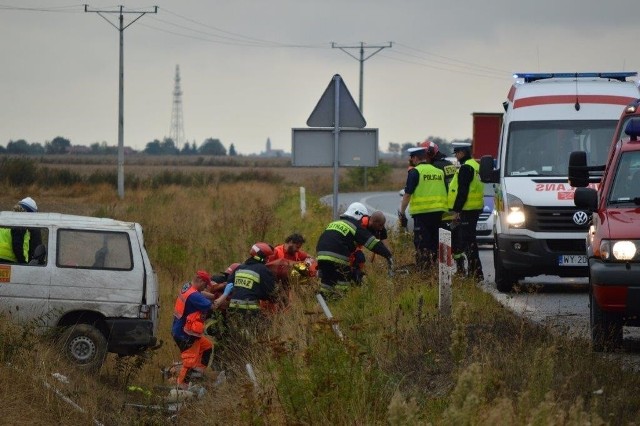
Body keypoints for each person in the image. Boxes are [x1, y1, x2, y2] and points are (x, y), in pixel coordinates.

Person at [316, 202, 393, 297]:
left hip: (321, 254)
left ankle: (323, 302)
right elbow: (372, 243)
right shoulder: (355, 226)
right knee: (343, 282)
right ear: (360, 216)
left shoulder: (335, 223)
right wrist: (388, 255)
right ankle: (339, 300)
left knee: (327, 281)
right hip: (338, 254)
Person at [399, 146, 448, 271]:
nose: (411, 160)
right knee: (435, 242)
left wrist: (402, 212)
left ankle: (424, 271)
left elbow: (408, 193)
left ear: (415, 158)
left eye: (411, 158)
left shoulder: (415, 172)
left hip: (422, 214)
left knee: (422, 244)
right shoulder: (439, 171)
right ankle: (436, 268)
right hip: (438, 213)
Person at [217, 242, 278, 336]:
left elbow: (230, 284)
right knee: (261, 331)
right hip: (250, 310)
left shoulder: (239, 268)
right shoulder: (263, 270)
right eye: (267, 257)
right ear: (262, 257)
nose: (268, 259)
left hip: (233, 308)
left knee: (236, 335)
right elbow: (271, 293)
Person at [171, 270, 214, 390]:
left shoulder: (188, 286)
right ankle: (181, 387)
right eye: (205, 285)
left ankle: (197, 373)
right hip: (185, 333)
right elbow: (213, 306)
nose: (205, 287)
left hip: (180, 329)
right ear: (200, 281)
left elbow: (201, 294)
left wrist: (214, 295)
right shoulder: (194, 296)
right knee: (190, 360)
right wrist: (225, 296)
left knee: (207, 347)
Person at [448, 142, 485, 282]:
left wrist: (457, 211)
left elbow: (462, 191)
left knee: (468, 242)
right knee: (470, 241)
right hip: (474, 209)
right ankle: (476, 272)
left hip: (467, 210)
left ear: (462, 153)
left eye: (457, 153)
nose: (456, 156)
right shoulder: (476, 166)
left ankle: (476, 273)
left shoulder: (466, 168)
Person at [349, 211, 388, 284]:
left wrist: (389, 256)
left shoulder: (380, 228)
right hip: (351, 245)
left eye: (382, 225)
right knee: (359, 258)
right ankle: (353, 278)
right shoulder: (361, 224)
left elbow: (385, 244)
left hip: (359, 248)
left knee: (360, 259)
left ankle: (356, 278)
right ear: (374, 222)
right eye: (380, 225)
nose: (381, 228)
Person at [0, 197, 42, 264]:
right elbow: (17, 245)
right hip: (8, 259)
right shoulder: (20, 222)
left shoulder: (6, 218)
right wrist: (22, 262)